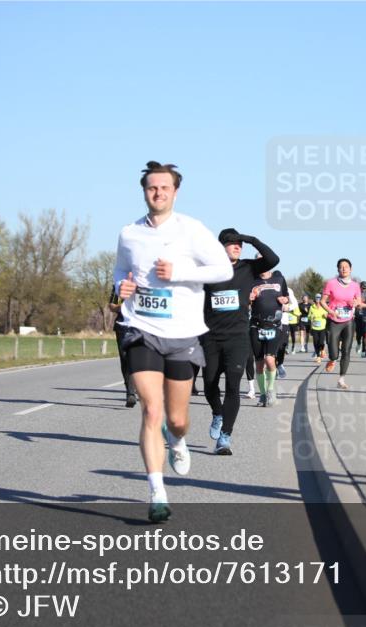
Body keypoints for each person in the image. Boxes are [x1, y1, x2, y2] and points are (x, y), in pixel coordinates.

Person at [113, 161, 233, 522]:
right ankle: (157, 492)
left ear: (175, 192)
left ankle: (177, 440)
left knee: (177, 419)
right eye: (152, 188)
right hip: (140, 329)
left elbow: (223, 270)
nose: (158, 193)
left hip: (182, 333)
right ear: (144, 191)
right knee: (152, 409)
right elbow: (120, 270)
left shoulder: (193, 231)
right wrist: (122, 286)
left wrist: (180, 272)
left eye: (164, 188)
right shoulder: (128, 233)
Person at [201, 228, 279, 455]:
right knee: (208, 384)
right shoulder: (209, 270)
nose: (237, 246)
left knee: (233, 387)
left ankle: (225, 437)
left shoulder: (248, 267)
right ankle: (217, 412)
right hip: (211, 337)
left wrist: (251, 238)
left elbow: (273, 259)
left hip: (238, 337)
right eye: (232, 243)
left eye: (239, 243)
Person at [249, 267, 290, 406]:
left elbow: (287, 298)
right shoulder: (252, 280)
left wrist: (285, 300)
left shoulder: (279, 279)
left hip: (274, 325)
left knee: (270, 360)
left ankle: (271, 389)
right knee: (259, 363)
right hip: (256, 325)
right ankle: (262, 394)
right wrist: (249, 299)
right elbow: (245, 301)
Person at [321, 258, 362, 389]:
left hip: (348, 321)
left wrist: (355, 303)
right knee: (334, 353)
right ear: (338, 269)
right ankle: (332, 359)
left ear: (351, 269)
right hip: (334, 320)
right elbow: (322, 302)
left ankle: (341, 379)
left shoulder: (355, 285)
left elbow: (359, 301)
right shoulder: (331, 283)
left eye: (346, 266)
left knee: (346, 350)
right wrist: (331, 312)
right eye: (341, 267)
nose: (344, 269)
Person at [109, 285, 139, 407]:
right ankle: (130, 392)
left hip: (142, 326)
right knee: (125, 359)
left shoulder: (146, 283)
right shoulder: (119, 285)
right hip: (122, 327)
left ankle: (137, 388)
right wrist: (125, 306)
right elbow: (111, 306)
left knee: (137, 359)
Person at [276, 284, 298, 379]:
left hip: (284, 322)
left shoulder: (288, 290)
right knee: (272, 347)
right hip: (269, 322)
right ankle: (272, 367)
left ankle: (280, 364)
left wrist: (287, 308)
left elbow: (295, 304)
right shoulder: (267, 288)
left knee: (282, 346)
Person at [308, 293, 328, 360]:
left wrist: (326, 315)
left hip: (322, 327)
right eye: (317, 298)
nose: (318, 299)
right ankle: (318, 355)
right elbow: (308, 316)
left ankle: (322, 350)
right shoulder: (312, 307)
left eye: (319, 298)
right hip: (314, 327)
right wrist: (311, 317)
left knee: (321, 342)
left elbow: (328, 314)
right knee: (316, 342)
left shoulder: (324, 306)